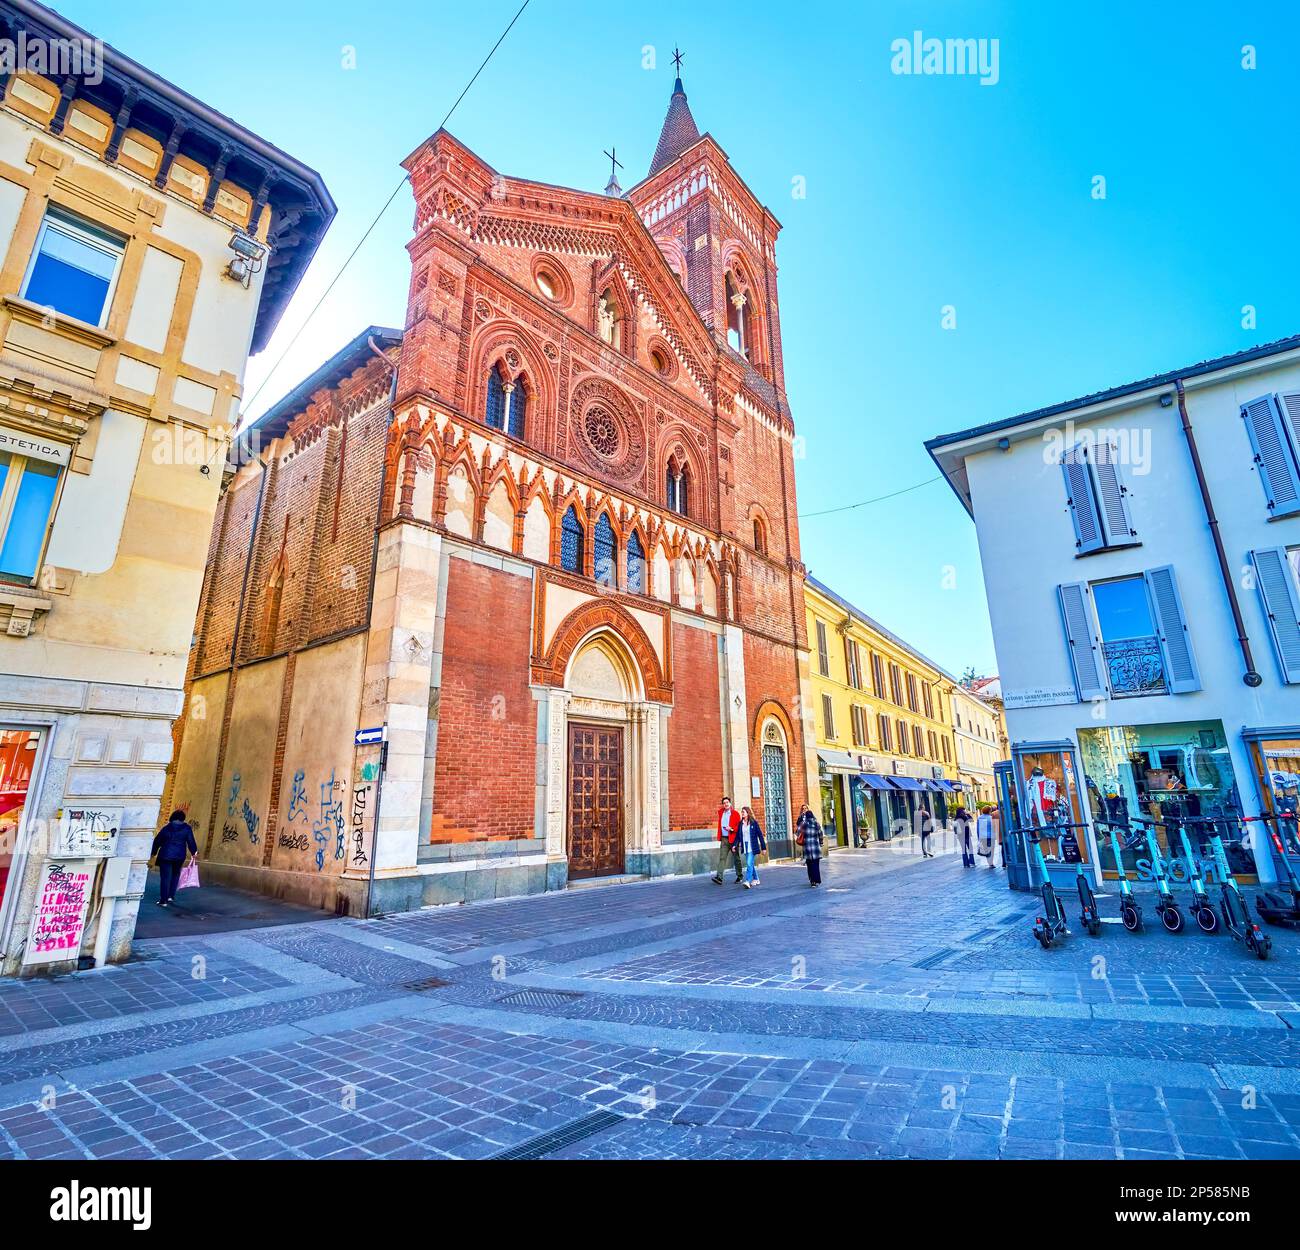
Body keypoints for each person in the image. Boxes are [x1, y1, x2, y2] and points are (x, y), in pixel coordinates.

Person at [151, 809, 198, 907]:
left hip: (165, 855)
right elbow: (191, 841)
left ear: (172, 817)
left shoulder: (166, 828)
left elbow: (157, 841)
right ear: (182, 818)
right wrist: (194, 852)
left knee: (165, 878)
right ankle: (170, 896)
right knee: (175, 875)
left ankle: (163, 901)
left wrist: (153, 852)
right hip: (179, 856)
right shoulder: (187, 828)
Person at [712, 796, 743, 885]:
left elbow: (739, 826)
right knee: (722, 858)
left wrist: (732, 828)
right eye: (724, 803)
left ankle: (739, 876)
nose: (725, 804)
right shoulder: (721, 812)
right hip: (724, 839)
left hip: (733, 839)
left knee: (736, 858)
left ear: (730, 803)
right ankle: (719, 877)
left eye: (727, 802)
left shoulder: (735, 814)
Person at [736, 806, 766, 888]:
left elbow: (760, 835)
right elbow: (738, 836)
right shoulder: (740, 823)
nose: (742, 813)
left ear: (748, 813)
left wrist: (763, 848)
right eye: (741, 812)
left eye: (743, 812)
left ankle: (747, 881)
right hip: (745, 846)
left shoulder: (754, 823)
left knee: (749, 863)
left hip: (752, 845)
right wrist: (735, 845)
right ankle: (756, 878)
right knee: (751, 864)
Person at [796, 802, 825, 886]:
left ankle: (812, 881)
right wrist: (821, 842)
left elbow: (797, 833)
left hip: (807, 848)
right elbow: (820, 834)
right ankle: (817, 880)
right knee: (816, 864)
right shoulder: (816, 823)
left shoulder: (804, 824)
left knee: (809, 864)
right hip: (816, 847)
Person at [976, 805, 998, 869]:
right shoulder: (990, 818)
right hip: (990, 836)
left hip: (982, 837)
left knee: (986, 849)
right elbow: (994, 827)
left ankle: (989, 862)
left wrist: (978, 837)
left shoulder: (979, 818)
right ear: (989, 811)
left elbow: (978, 828)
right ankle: (991, 863)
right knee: (991, 849)